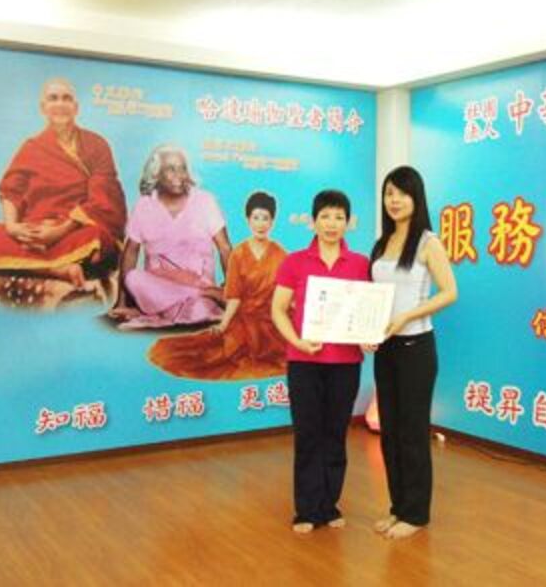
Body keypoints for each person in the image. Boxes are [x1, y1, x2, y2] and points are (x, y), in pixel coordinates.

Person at [0, 77, 127, 291]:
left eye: (66, 98)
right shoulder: (32, 147)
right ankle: (58, 270)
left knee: (97, 241)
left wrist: (60, 230)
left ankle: (45, 265)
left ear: (76, 107)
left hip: (76, 229)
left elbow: (103, 197)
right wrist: (12, 227)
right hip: (36, 230)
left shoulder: (97, 145)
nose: (60, 104)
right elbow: (11, 190)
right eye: (53, 98)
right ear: (43, 108)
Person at [367, 166, 457, 539]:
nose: (395, 200)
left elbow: (449, 292)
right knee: (389, 432)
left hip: (416, 348)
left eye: (402, 193)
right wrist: (368, 330)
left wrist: (407, 315)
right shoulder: (381, 243)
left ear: (416, 198)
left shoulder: (427, 242)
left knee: (412, 432)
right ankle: (398, 507)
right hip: (385, 349)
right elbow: (374, 297)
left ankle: (416, 514)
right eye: (389, 193)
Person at [271, 189, 369, 534]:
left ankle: (329, 505)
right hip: (304, 361)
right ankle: (307, 509)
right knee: (308, 433)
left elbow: (366, 309)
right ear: (313, 222)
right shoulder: (295, 262)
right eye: (325, 216)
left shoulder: (360, 264)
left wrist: (368, 336)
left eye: (339, 217)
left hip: (346, 363)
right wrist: (297, 341)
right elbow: (278, 310)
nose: (332, 223)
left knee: (335, 434)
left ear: (348, 223)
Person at [148, 191, 287, 379]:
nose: (260, 224)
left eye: (265, 218)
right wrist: (223, 324)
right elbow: (234, 296)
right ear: (248, 220)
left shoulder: (281, 255)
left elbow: (286, 296)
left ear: (272, 222)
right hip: (245, 319)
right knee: (221, 354)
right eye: (256, 217)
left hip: (272, 319)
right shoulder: (238, 254)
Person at [108, 144, 232, 329]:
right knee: (133, 278)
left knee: (197, 312)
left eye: (182, 168)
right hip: (160, 290)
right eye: (171, 169)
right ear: (156, 174)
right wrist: (121, 302)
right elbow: (130, 252)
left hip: (198, 284)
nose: (179, 176)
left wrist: (232, 290)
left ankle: (197, 297)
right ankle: (206, 293)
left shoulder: (205, 201)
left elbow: (225, 247)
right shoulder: (144, 206)